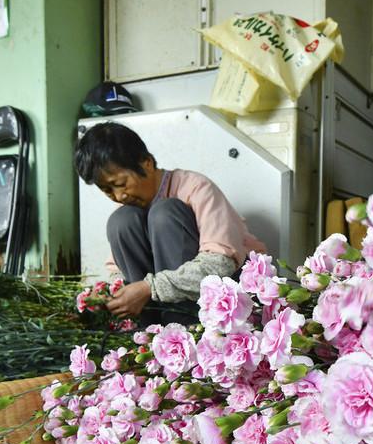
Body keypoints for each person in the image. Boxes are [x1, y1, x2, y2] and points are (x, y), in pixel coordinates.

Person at [73, 121, 266, 319]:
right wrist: (111, 295)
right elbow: (119, 271)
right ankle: (149, 331)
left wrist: (150, 287)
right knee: (120, 221)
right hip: (161, 307)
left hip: (227, 294)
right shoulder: (127, 209)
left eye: (121, 184)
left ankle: (185, 329)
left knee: (164, 213)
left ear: (146, 163)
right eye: (107, 190)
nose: (119, 196)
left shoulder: (195, 188)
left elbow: (219, 265)